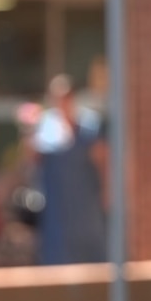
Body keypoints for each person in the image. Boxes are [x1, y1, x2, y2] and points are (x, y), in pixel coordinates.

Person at [32, 73, 108, 264]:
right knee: (58, 259)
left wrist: (108, 191)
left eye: (66, 97)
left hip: (85, 207)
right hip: (58, 209)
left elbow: (104, 159)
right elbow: (34, 158)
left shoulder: (89, 125)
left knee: (91, 258)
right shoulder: (46, 127)